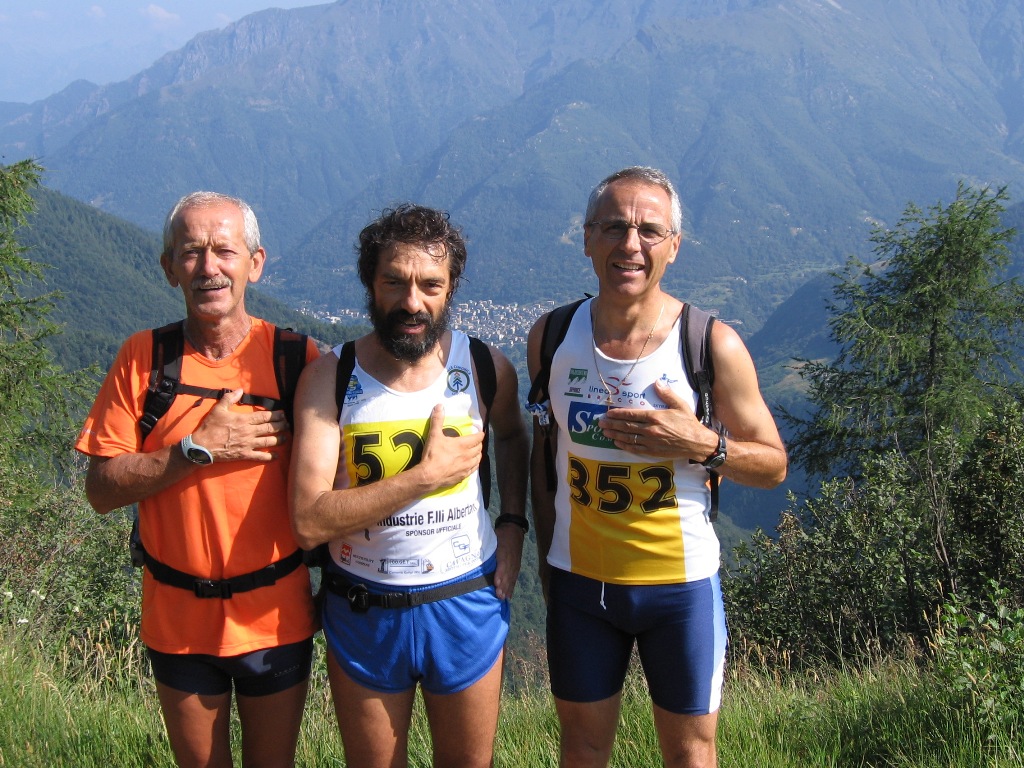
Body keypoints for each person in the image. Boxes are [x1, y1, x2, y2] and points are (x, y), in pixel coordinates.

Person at [527, 166, 788, 768]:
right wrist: (547, 566)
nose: (631, 244)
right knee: (583, 749)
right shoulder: (553, 335)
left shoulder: (709, 343)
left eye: (650, 230)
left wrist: (701, 443)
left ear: (673, 246)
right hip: (579, 585)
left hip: (681, 589)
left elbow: (772, 465)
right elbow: (547, 459)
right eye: (615, 226)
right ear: (587, 237)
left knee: (692, 753)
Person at [76, 191, 318, 768]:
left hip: (275, 616)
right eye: (190, 253)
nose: (209, 267)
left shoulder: (296, 360)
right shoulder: (143, 360)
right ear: (168, 269)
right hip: (178, 620)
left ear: (254, 263)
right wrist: (194, 450)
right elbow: (101, 489)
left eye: (224, 251)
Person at [289, 203, 529, 768]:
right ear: (370, 285)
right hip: (364, 604)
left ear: (451, 290)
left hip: (463, 596)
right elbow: (307, 522)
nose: (412, 302)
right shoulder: (331, 376)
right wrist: (425, 477)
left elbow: (514, 438)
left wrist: (513, 522)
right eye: (394, 281)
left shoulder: (488, 368)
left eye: (430, 285)